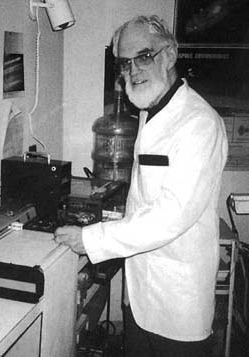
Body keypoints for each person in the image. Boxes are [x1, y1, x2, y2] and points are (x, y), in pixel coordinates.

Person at [54, 15, 228, 357]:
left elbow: (170, 216)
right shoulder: (152, 110)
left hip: (177, 306)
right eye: (125, 62)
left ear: (169, 55)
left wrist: (90, 238)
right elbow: (148, 195)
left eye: (143, 57)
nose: (132, 70)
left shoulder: (198, 124)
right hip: (142, 292)